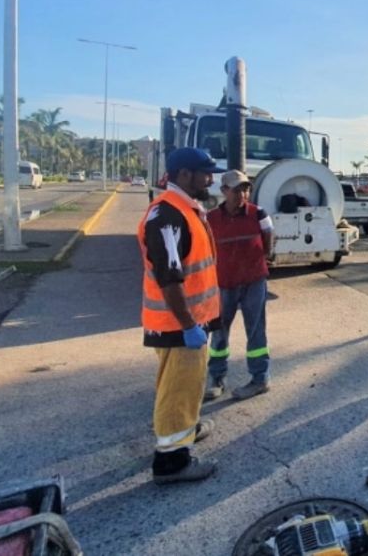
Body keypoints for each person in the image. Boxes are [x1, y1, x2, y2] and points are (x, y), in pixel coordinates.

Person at [138, 147, 225, 485]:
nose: (211, 179)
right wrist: (189, 325)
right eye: (205, 173)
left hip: (188, 321)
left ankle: (186, 430)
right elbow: (169, 278)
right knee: (177, 390)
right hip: (179, 324)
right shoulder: (168, 216)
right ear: (185, 174)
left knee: (186, 386)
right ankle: (172, 461)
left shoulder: (184, 209)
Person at [204, 170, 275, 402]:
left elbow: (268, 235)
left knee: (256, 331)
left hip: (254, 282)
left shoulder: (258, 213)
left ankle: (260, 379)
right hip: (224, 284)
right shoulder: (210, 219)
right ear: (224, 191)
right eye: (237, 190)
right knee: (219, 333)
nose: (242, 194)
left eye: (245, 189)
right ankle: (217, 378)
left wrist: (263, 257)